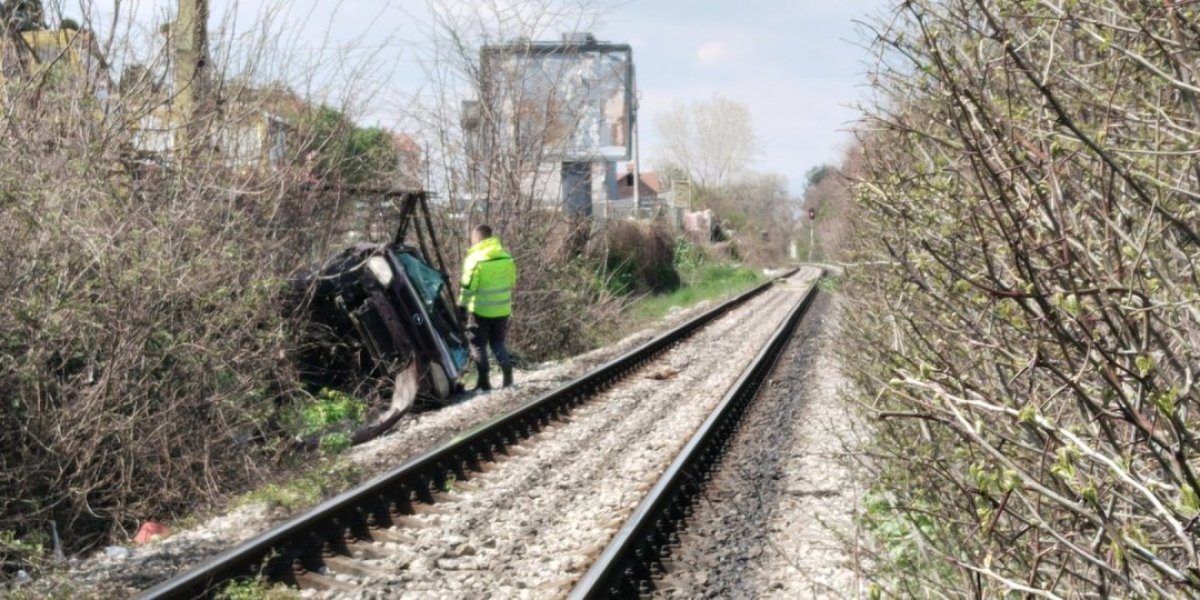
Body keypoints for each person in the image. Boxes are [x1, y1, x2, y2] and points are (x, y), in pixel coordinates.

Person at [458, 224, 517, 391]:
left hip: (480, 310)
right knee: (498, 341)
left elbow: (468, 287)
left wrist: (461, 307)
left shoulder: (474, 260)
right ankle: (507, 377)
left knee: (477, 344)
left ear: (477, 238)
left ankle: (484, 381)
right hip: (503, 309)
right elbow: (512, 281)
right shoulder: (506, 257)